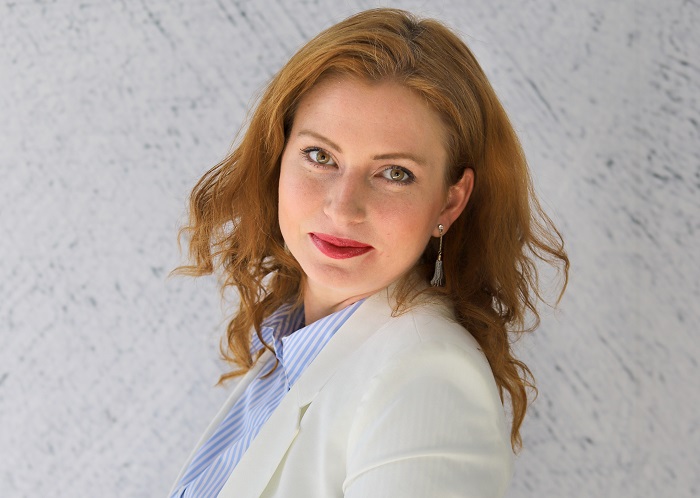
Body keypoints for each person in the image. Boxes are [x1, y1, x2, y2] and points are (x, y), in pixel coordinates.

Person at [168, 7, 569, 498]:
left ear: (450, 201)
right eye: (320, 156)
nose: (343, 207)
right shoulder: (289, 343)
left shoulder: (427, 378)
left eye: (395, 173)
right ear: (278, 156)